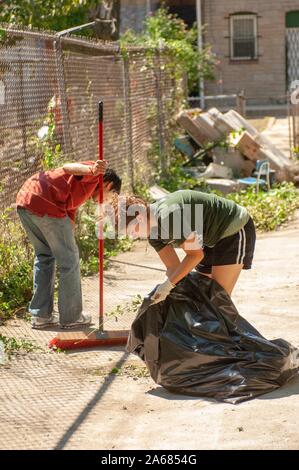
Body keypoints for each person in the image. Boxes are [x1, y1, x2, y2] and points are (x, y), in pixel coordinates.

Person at [16, 160, 121, 329]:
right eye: (110, 197)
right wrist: (92, 169)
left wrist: (69, 225)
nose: (105, 202)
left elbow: (69, 208)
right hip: (46, 202)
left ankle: (40, 316)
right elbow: (67, 167)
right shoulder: (96, 175)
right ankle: (72, 317)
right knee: (70, 261)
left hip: (26, 200)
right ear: (108, 186)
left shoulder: (84, 188)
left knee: (45, 257)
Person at [116, 189, 256, 303]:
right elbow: (174, 267)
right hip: (208, 238)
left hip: (232, 229)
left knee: (218, 300)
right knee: (201, 296)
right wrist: (168, 288)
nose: (133, 237)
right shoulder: (152, 234)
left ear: (139, 218)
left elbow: (195, 255)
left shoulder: (168, 216)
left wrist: (169, 285)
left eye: (131, 231)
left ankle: (227, 336)